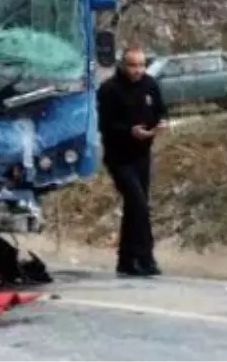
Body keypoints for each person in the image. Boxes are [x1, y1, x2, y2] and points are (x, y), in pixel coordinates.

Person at [97, 46, 168, 278]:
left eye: (141, 65)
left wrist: (162, 123)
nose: (137, 70)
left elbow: (161, 111)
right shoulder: (110, 90)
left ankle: (127, 260)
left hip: (141, 155)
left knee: (135, 206)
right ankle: (145, 256)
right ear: (123, 65)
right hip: (119, 156)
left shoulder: (150, 85)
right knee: (138, 203)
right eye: (132, 65)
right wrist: (129, 131)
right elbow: (104, 125)